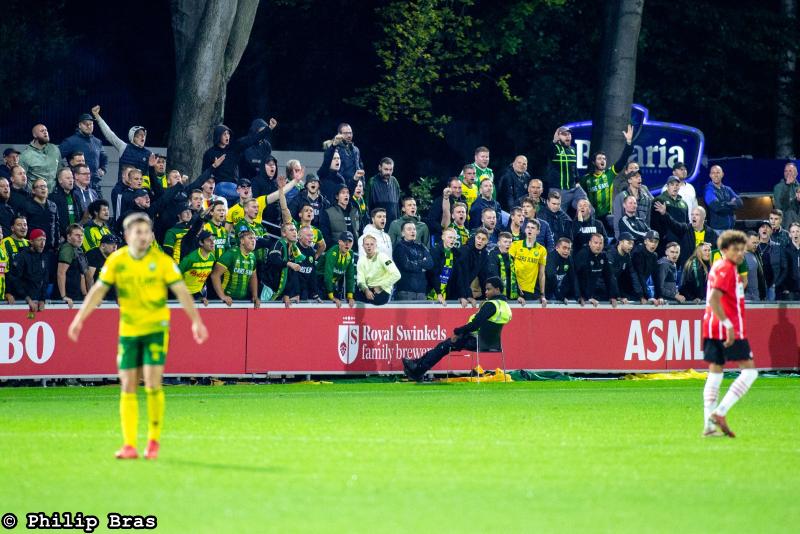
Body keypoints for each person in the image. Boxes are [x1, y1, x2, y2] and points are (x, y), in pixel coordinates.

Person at [68, 212, 208, 459]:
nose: (144, 237)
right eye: (138, 232)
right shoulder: (117, 260)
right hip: (129, 331)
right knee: (128, 386)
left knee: (153, 384)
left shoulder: (162, 261)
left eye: (147, 232)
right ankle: (129, 444)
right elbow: (98, 291)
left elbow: (181, 291)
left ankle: (153, 441)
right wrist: (79, 318)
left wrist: (196, 321)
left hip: (155, 330)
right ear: (127, 235)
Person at [701, 230, 758, 438]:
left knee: (715, 373)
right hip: (727, 327)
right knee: (750, 372)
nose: (740, 253)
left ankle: (708, 425)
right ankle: (720, 412)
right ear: (724, 250)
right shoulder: (726, 269)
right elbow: (715, 299)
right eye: (736, 250)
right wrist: (729, 326)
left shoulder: (719, 266)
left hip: (711, 326)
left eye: (742, 250)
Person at [401, 277, 511, 382]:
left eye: (489, 289)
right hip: (493, 343)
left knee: (444, 346)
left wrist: (457, 331)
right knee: (445, 345)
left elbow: (474, 325)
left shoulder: (490, 305)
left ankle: (418, 371)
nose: (486, 292)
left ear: (497, 289)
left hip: (476, 340)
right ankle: (417, 366)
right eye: (485, 289)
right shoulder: (505, 306)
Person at [580, 125, 634, 222]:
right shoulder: (586, 179)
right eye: (599, 158)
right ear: (593, 162)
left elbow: (622, 160)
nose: (603, 160)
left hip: (607, 216)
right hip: (591, 217)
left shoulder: (609, 174)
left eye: (604, 159)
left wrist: (628, 143)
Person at [202, 119, 276, 183]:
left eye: (228, 133)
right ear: (218, 136)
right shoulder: (209, 153)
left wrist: (269, 128)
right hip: (218, 185)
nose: (227, 136)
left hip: (234, 185)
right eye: (224, 134)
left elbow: (252, 139)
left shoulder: (234, 148)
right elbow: (204, 173)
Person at [91, 105, 151, 181]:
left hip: (140, 191)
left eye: (144, 135)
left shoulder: (149, 154)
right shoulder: (124, 147)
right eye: (139, 135)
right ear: (132, 137)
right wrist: (97, 116)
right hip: (122, 189)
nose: (143, 137)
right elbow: (109, 134)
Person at [59, 113, 107, 196]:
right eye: (85, 124)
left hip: (95, 185)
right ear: (79, 125)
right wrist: (65, 171)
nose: (89, 126)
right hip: (76, 186)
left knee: (100, 207)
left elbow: (104, 157)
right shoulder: (70, 142)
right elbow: (56, 157)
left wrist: (103, 169)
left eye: (91, 124)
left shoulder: (97, 142)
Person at [210, 228, 259, 307]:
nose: (253, 241)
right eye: (250, 238)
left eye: (254, 238)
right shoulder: (231, 254)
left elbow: (253, 277)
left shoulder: (252, 256)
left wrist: (255, 296)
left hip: (243, 300)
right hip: (226, 301)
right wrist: (222, 296)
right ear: (242, 241)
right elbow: (215, 275)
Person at [545, 126, 587, 209]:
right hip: (558, 189)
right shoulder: (554, 148)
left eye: (569, 134)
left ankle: (581, 219)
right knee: (558, 215)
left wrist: (577, 181)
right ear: (558, 136)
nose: (567, 136)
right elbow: (548, 151)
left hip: (574, 188)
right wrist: (554, 141)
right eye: (564, 134)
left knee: (589, 209)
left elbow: (574, 167)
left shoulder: (572, 149)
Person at [7, 229, 49, 313]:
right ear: (31, 242)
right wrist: (28, 299)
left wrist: (42, 299)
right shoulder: (21, 257)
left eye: (44, 240)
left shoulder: (44, 257)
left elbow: (45, 280)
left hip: (36, 302)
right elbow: (15, 280)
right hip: (21, 301)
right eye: (39, 240)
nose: (42, 243)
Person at [574, 232, 620, 307]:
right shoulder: (583, 255)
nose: (598, 246)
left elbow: (609, 276)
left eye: (600, 243)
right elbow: (577, 277)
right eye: (595, 243)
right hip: (576, 292)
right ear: (590, 243)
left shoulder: (603, 256)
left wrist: (613, 296)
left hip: (591, 291)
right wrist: (581, 296)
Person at [263, 223, 304, 306]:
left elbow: (291, 274)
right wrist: (289, 264)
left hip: (280, 291)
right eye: (291, 230)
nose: (295, 232)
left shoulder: (294, 249)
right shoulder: (278, 244)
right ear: (284, 233)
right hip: (268, 288)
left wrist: (288, 294)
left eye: (295, 230)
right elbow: (274, 259)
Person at [393, 222, 434, 300]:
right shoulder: (399, 247)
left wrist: (415, 262)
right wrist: (422, 265)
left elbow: (430, 263)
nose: (413, 231)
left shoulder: (421, 246)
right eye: (409, 229)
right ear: (402, 233)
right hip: (405, 291)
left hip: (421, 291)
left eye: (414, 229)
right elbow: (406, 265)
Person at [509, 220, 547, 303]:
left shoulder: (542, 250)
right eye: (528, 227)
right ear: (525, 230)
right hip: (515, 288)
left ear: (538, 232)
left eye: (533, 228)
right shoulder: (515, 245)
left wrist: (542, 294)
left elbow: (541, 274)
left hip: (530, 290)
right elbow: (509, 268)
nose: (530, 230)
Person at [356, 235, 401, 305]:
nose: (369, 246)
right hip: (369, 290)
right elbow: (360, 280)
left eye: (372, 244)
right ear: (363, 246)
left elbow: (396, 274)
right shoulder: (361, 260)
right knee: (352, 296)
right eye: (367, 244)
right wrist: (366, 290)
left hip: (383, 290)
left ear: (376, 246)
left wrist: (381, 287)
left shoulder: (383, 257)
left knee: (376, 300)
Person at [612, 169, 654, 238]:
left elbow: (647, 222)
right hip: (626, 238)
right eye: (636, 177)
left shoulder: (646, 199)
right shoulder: (621, 197)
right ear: (629, 180)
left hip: (643, 238)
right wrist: (618, 239)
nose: (639, 178)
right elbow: (617, 222)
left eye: (640, 177)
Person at [19, 123, 61, 191]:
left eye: (46, 130)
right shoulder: (25, 155)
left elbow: (60, 170)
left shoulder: (54, 149)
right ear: (35, 135)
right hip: (35, 195)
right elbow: (21, 179)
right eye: (42, 131)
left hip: (54, 194)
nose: (45, 132)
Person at [178, 230, 217, 304]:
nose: (212, 243)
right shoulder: (190, 258)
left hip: (197, 293)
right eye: (209, 240)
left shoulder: (212, 257)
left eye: (213, 240)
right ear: (201, 243)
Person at [56, 224, 90, 307]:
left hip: (76, 295)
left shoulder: (79, 250)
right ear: (69, 237)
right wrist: (64, 296)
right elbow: (61, 273)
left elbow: (82, 275)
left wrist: (85, 294)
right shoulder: (67, 249)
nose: (80, 238)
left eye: (81, 235)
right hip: (67, 296)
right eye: (77, 235)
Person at [319, 231, 356, 308]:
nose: (347, 244)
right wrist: (331, 296)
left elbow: (350, 276)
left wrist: (350, 296)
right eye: (345, 241)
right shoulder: (333, 253)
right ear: (339, 242)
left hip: (331, 284)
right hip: (320, 281)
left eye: (350, 242)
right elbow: (328, 275)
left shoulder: (350, 254)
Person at [23, 179, 60, 251]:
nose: (43, 188)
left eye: (45, 186)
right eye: (40, 187)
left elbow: (56, 225)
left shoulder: (53, 205)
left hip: (50, 247)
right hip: (33, 247)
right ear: (33, 190)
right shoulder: (26, 205)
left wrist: (57, 244)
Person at [704, 165, 743, 231]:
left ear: (722, 174)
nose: (715, 175)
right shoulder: (708, 190)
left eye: (718, 172)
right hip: (717, 230)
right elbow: (717, 207)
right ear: (710, 175)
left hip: (730, 229)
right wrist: (731, 204)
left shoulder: (728, 189)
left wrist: (724, 204)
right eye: (713, 173)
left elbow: (740, 202)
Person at [491, 232, 526, 305]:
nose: (508, 244)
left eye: (510, 242)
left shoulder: (511, 258)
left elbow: (513, 278)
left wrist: (518, 295)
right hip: (498, 298)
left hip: (509, 297)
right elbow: (494, 278)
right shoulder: (493, 256)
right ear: (498, 243)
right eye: (505, 242)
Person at [427, 228, 460, 304]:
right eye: (450, 237)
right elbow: (433, 274)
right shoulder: (434, 252)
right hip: (433, 291)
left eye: (454, 238)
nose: (453, 240)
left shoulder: (456, 254)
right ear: (443, 237)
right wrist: (438, 293)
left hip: (448, 294)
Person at [365, 158, 402, 225]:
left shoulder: (394, 181)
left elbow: (398, 204)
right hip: (378, 224)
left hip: (393, 224)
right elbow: (367, 204)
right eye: (386, 169)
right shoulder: (372, 182)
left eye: (390, 170)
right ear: (380, 168)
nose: (388, 172)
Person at [631, 230, 663, 305]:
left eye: (656, 242)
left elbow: (656, 277)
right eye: (651, 241)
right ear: (645, 241)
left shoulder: (654, 255)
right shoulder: (638, 253)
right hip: (631, 289)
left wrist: (659, 296)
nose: (653, 244)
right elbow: (639, 276)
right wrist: (646, 296)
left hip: (640, 289)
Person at [607, 232, 640, 304]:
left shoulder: (627, 256)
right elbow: (610, 276)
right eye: (629, 243)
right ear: (621, 242)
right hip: (602, 289)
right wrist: (618, 296)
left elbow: (633, 274)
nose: (631, 246)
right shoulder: (610, 253)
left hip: (614, 287)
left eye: (632, 244)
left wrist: (640, 294)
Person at [86, 234, 119, 301]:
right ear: (103, 246)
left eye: (116, 244)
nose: (115, 246)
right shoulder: (93, 254)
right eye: (111, 244)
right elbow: (89, 277)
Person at [546, 237, 579, 302]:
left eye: (569, 249)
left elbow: (573, 277)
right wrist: (560, 297)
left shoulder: (569, 258)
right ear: (557, 248)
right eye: (564, 248)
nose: (566, 251)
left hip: (556, 291)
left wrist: (578, 296)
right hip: (545, 292)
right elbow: (551, 277)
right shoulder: (551, 258)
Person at [776, 222, 800, 300]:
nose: (795, 234)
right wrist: (784, 288)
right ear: (790, 234)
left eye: (797, 231)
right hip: (791, 290)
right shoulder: (785, 250)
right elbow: (782, 270)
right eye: (793, 232)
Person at [743, 231, 765, 302]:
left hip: (756, 297)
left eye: (757, 243)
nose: (756, 245)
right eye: (754, 243)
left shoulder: (756, 254)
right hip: (745, 298)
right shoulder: (739, 256)